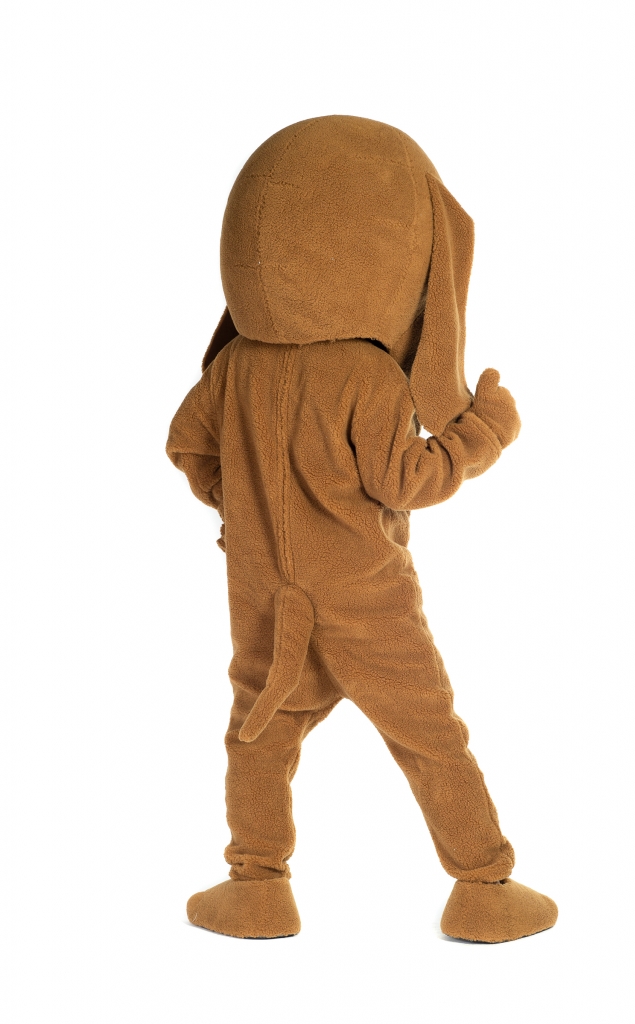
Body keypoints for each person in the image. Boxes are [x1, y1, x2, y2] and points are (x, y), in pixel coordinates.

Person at [166, 115, 557, 942]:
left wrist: (237, 507)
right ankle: (482, 884)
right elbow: (408, 481)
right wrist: (483, 432)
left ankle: (256, 886)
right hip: (364, 602)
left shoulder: (233, 365)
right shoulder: (368, 374)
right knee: (429, 736)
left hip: (264, 595)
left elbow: (188, 446)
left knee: (258, 735)